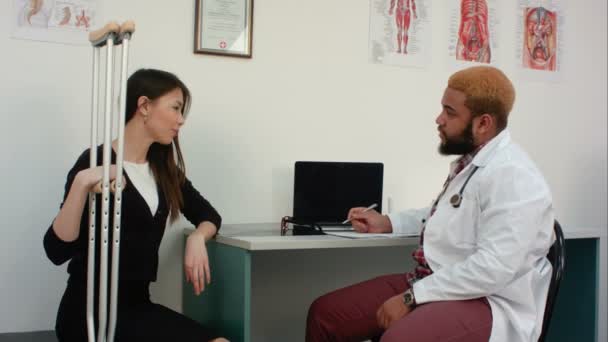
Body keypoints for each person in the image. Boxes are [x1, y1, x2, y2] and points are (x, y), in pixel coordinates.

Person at [306, 66, 554, 342]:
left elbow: (492, 269)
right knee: (325, 315)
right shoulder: (471, 164)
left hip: (489, 302)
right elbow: (446, 215)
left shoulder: (515, 176)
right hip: (438, 282)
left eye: (450, 112)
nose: (439, 119)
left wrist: (412, 297)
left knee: (399, 339)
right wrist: (388, 222)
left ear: (484, 124)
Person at [44, 69, 229, 342]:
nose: (181, 120)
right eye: (176, 108)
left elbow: (209, 215)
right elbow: (56, 250)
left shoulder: (163, 171)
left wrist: (198, 238)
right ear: (144, 106)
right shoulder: (95, 162)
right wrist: (82, 182)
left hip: (137, 307)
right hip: (88, 314)